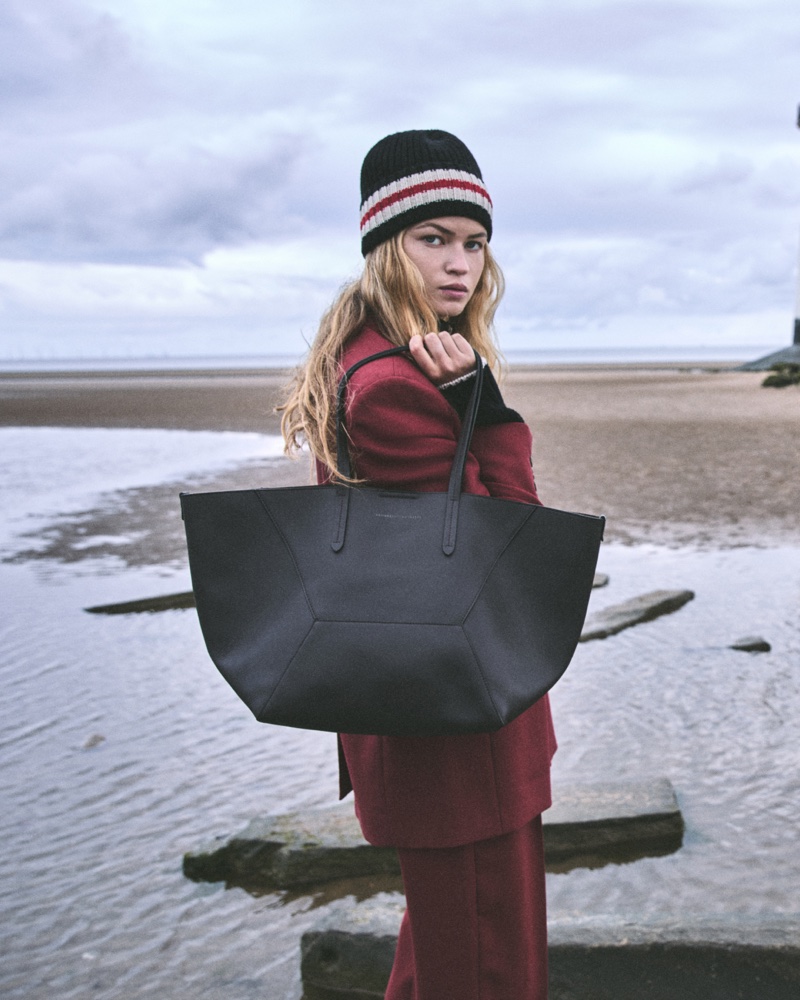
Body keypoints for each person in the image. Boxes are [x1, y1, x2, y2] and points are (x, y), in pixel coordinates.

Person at [280, 129, 555, 1000]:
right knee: (486, 966)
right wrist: (488, 407)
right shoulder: (397, 383)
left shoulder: (363, 355)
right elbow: (506, 548)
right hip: (454, 729)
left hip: (430, 714)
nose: (460, 265)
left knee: (442, 954)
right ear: (382, 248)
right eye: (432, 239)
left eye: (474, 242)